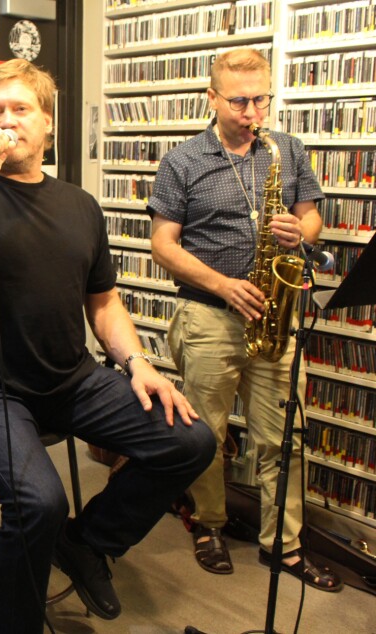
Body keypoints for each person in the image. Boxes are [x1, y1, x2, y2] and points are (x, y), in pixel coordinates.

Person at [0, 59, 215, 632]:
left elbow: (104, 302)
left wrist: (137, 363)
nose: (7, 122)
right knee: (39, 501)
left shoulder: (79, 205)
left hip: (70, 377)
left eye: (20, 109)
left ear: (47, 124)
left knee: (190, 441)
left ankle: (86, 544)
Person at [148, 48, 342, 591]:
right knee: (205, 435)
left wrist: (301, 235)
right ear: (212, 99)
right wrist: (223, 285)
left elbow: (312, 216)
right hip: (209, 315)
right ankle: (208, 524)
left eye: (261, 99)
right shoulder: (182, 161)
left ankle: (284, 545)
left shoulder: (288, 150)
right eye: (239, 101)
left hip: (276, 317)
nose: (252, 111)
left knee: (286, 437)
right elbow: (163, 245)